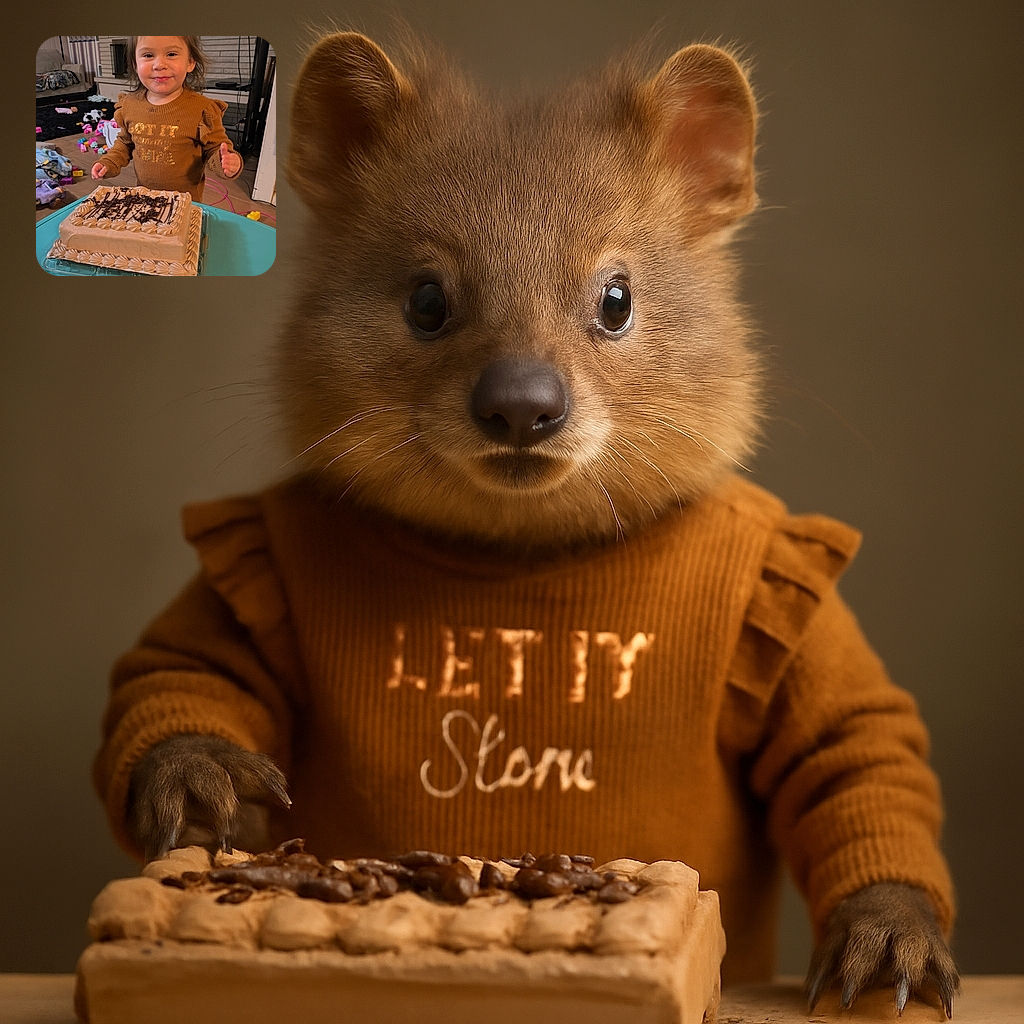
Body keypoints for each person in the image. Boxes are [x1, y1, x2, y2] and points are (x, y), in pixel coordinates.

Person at [91, 36, 242, 202]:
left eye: (171, 54)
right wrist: (109, 162)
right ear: (135, 64)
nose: (159, 65)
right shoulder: (130, 105)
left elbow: (215, 148)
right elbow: (125, 143)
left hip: (185, 203)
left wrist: (227, 162)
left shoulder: (202, 110)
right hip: (145, 198)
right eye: (148, 55)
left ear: (190, 62)